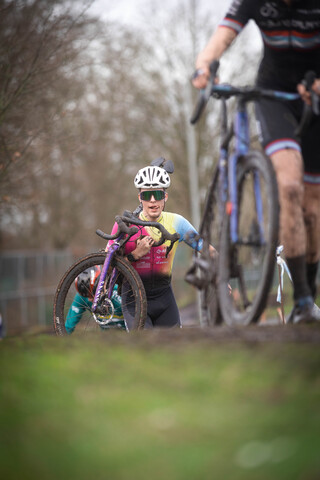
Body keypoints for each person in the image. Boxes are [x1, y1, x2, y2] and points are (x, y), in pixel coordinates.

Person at [192, 0, 320, 324]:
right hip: (273, 94)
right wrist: (205, 63)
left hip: (314, 96)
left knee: (312, 207)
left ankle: (309, 295)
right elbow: (224, 34)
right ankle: (302, 302)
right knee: (289, 186)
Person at [108, 160, 217, 329]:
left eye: (158, 195)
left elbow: (207, 249)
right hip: (134, 300)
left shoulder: (176, 222)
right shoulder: (125, 226)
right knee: (147, 351)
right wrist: (135, 254)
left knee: (175, 352)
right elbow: (108, 268)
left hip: (165, 299)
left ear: (165, 196)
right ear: (140, 198)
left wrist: (221, 276)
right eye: (146, 195)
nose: (153, 201)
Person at [65, 266, 125, 334]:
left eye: (93, 294)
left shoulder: (115, 292)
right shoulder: (81, 297)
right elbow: (68, 326)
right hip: (107, 338)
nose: (90, 299)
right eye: (86, 295)